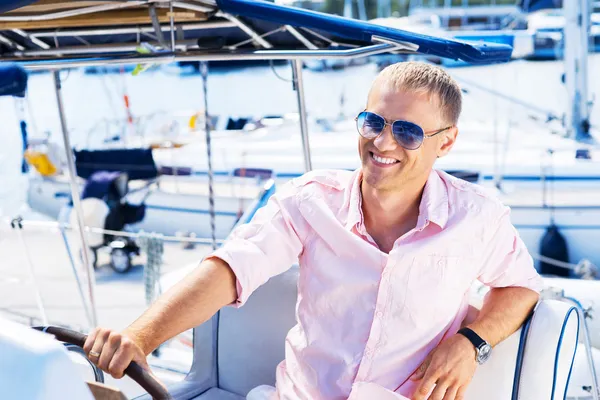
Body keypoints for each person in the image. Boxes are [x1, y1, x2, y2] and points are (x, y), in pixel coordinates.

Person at [83, 62, 542, 400]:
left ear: (447, 141)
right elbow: (230, 269)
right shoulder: (309, 201)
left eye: (407, 132)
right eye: (373, 123)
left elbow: (521, 287)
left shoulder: (477, 216)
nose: (382, 143)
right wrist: (141, 337)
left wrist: (471, 343)